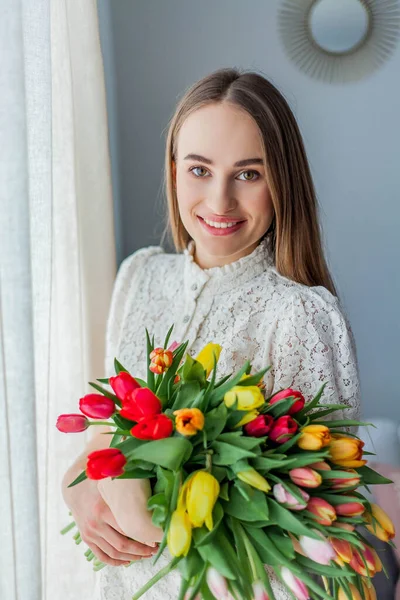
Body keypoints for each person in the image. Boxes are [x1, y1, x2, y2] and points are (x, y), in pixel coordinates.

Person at [62, 67, 361, 600]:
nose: (220, 201)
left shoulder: (300, 314)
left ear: (282, 182)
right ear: (174, 171)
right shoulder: (138, 276)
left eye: (248, 174)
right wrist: (79, 484)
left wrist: (148, 521)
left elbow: (318, 526)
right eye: (200, 170)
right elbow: (103, 429)